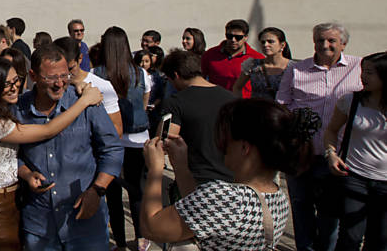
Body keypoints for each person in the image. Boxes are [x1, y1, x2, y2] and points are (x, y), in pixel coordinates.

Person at [0, 56, 102, 250]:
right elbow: (48, 131)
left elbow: (7, 158)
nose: (15, 87)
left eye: (16, 80)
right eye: (6, 84)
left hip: (7, 199)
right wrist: (84, 102)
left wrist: (27, 174)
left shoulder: (1, 111)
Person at [140, 99, 317, 250]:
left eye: (226, 138)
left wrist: (155, 170)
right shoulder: (278, 197)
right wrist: (181, 168)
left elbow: (151, 228)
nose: (221, 145)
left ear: (244, 148)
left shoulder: (225, 197)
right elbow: (200, 215)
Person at [16, 43, 122, 250]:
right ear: (33, 76)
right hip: (39, 224)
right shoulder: (18, 110)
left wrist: (97, 190)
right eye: (50, 78)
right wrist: (27, 173)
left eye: (64, 76)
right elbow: (9, 154)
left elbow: (112, 149)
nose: (58, 84)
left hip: (85, 221)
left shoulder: (86, 103)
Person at [277, 21, 361, 251]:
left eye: (331, 40)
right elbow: (281, 105)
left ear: (343, 44)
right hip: (301, 152)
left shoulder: (359, 67)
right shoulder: (296, 69)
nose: (325, 45)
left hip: (339, 154)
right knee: (301, 206)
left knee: (331, 211)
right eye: (319, 40)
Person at [323, 51, 387, 251]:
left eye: (369, 73)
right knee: (350, 236)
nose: (362, 76)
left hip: (385, 184)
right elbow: (331, 131)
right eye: (362, 71)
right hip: (354, 177)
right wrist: (331, 154)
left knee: (380, 240)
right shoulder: (350, 100)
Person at [93, 26, 150, 251]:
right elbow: (144, 104)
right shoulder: (141, 72)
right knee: (137, 191)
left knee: (113, 194)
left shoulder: (97, 74)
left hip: (110, 140)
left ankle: (119, 242)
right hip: (138, 138)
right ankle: (142, 238)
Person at [160, 50, 237, 186]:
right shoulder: (231, 98)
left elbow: (167, 141)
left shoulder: (176, 102)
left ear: (176, 75)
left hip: (196, 179)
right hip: (233, 176)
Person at [56, 36, 123, 136]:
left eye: (70, 68)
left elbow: (117, 129)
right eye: (60, 70)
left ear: (80, 58)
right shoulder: (51, 85)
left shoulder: (103, 86)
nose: (66, 75)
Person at [202, 19, 264, 98]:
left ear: (246, 37)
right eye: (229, 36)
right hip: (216, 104)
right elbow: (202, 80)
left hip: (244, 105)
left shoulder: (257, 58)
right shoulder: (209, 55)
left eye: (238, 37)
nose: (233, 40)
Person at [232, 27, 291, 100]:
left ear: (282, 45)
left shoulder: (294, 67)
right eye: (263, 42)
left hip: (284, 110)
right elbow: (237, 87)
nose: (266, 44)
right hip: (258, 109)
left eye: (271, 41)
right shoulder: (252, 64)